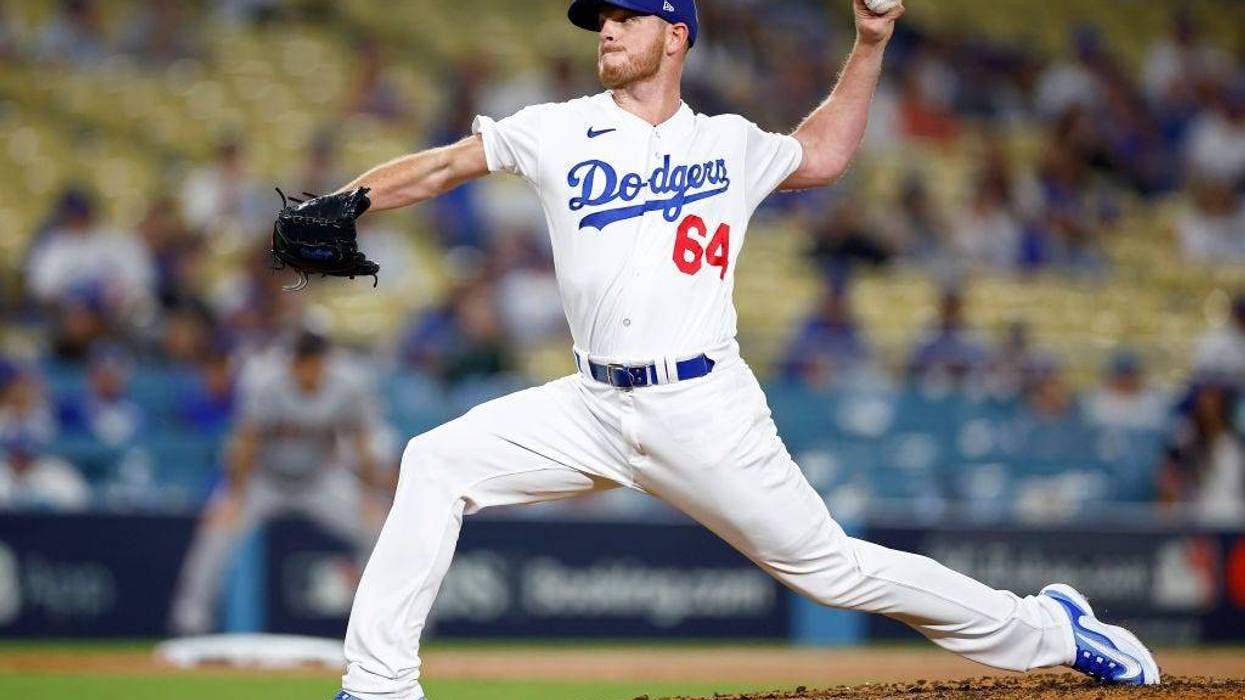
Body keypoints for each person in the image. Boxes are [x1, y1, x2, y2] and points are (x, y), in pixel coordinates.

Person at [325, 4, 1159, 698]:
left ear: (675, 34)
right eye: (600, 20)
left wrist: (868, 45)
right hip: (589, 404)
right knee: (435, 460)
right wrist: (347, 201)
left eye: (624, 15)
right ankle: (377, 684)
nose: (605, 31)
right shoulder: (556, 129)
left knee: (832, 573)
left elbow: (824, 154)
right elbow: (441, 168)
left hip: (702, 408)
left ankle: (1052, 629)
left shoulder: (728, 143)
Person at [169, 331, 389, 636]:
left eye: (313, 363)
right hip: (265, 480)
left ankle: (385, 624)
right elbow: (245, 442)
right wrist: (234, 497)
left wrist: (369, 494)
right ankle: (190, 620)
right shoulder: (265, 382)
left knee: (379, 529)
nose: (307, 370)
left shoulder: (347, 384)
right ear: (292, 362)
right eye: (301, 363)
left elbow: (361, 439)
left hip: (320, 480)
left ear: (324, 362)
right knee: (216, 531)